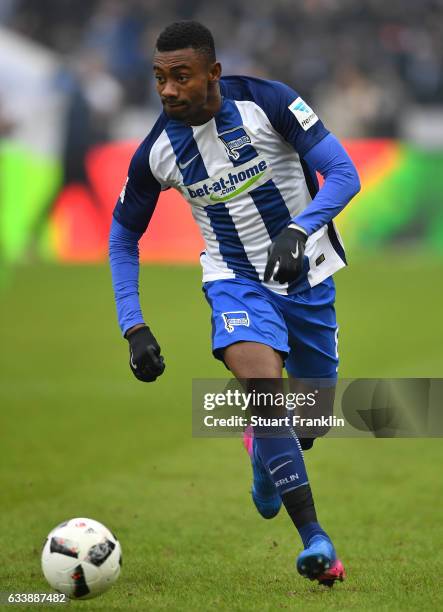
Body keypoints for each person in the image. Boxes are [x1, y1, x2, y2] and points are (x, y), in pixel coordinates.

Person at [109, 20, 360, 587]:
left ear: (213, 73)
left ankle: (263, 458)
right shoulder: (156, 151)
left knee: (310, 422)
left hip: (308, 277)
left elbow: (343, 173)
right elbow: (123, 236)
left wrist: (300, 228)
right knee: (264, 391)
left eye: (181, 76)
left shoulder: (270, 103)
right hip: (233, 280)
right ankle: (315, 540)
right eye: (159, 78)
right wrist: (134, 325)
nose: (168, 89)